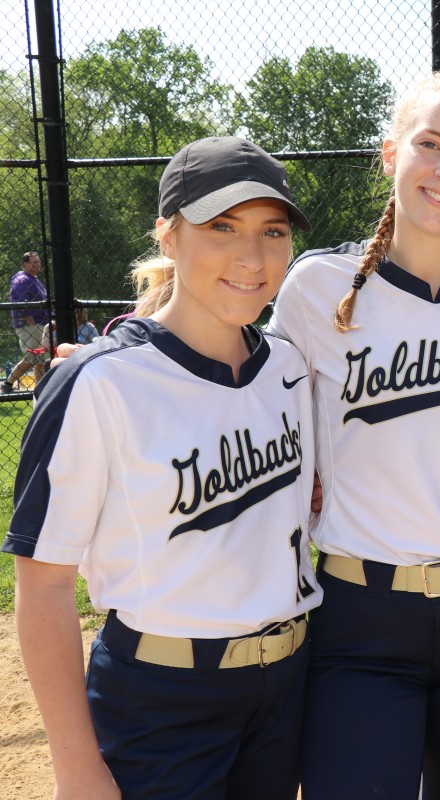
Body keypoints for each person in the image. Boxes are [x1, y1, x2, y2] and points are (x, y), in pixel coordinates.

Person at [3, 136, 322, 800]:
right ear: (168, 237)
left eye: (272, 230)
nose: (252, 257)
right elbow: (44, 588)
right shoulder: (99, 383)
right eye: (221, 227)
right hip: (162, 698)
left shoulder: (290, 367)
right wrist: (78, 770)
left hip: (287, 685)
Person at [266, 72, 440, 800]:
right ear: (390, 154)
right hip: (360, 613)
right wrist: (126, 348)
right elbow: (245, 392)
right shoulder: (316, 288)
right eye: (430, 144)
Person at [2, 251, 51, 393]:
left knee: (40, 360)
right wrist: (31, 323)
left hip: (39, 324)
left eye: (39, 261)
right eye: (34, 262)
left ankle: (40, 390)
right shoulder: (22, 279)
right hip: (30, 326)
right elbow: (20, 303)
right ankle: (8, 383)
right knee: (32, 358)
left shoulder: (34, 279)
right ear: (25, 264)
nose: (38, 264)